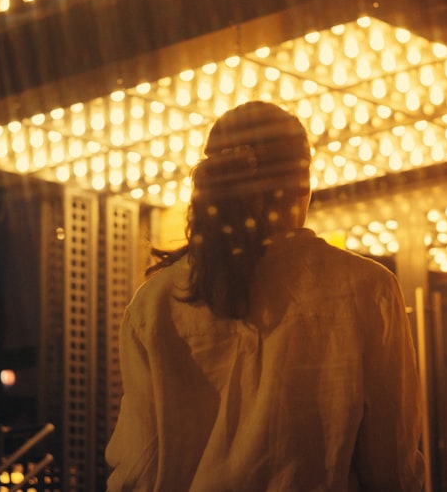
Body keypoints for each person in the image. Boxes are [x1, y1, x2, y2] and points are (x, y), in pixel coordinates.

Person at [105, 101, 425, 491]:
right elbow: (391, 461)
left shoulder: (155, 304)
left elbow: (139, 467)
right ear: (301, 181)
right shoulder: (367, 289)